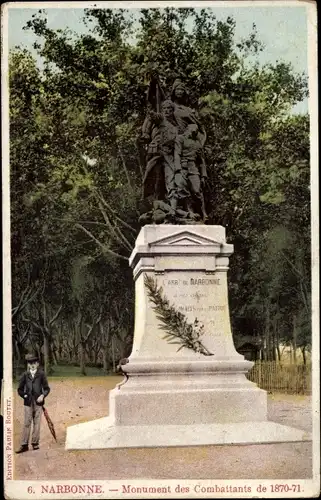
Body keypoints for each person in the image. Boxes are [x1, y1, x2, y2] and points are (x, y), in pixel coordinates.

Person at [16, 353, 50, 453]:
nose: (32, 365)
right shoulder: (25, 375)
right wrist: (24, 395)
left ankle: (35, 443)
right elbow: (19, 389)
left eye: (34, 363)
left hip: (38, 402)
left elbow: (47, 388)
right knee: (27, 422)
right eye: (30, 363)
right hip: (28, 402)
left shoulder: (41, 374)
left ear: (37, 364)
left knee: (37, 423)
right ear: (28, 365)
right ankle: (24, 445)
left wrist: (43, 395)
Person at [174, 123, 208, 220]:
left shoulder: (197, 143)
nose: (193, 132)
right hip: (182, 167)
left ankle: (203, 212)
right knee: (183, 190)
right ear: (187, 129)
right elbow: (177, 154)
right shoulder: (180, 138)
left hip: (193, 168)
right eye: (191, 129)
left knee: (197, 191)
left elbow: (201, 160)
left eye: (195, 130)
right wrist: (178, 169)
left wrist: (203, 176)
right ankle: (190, 212)